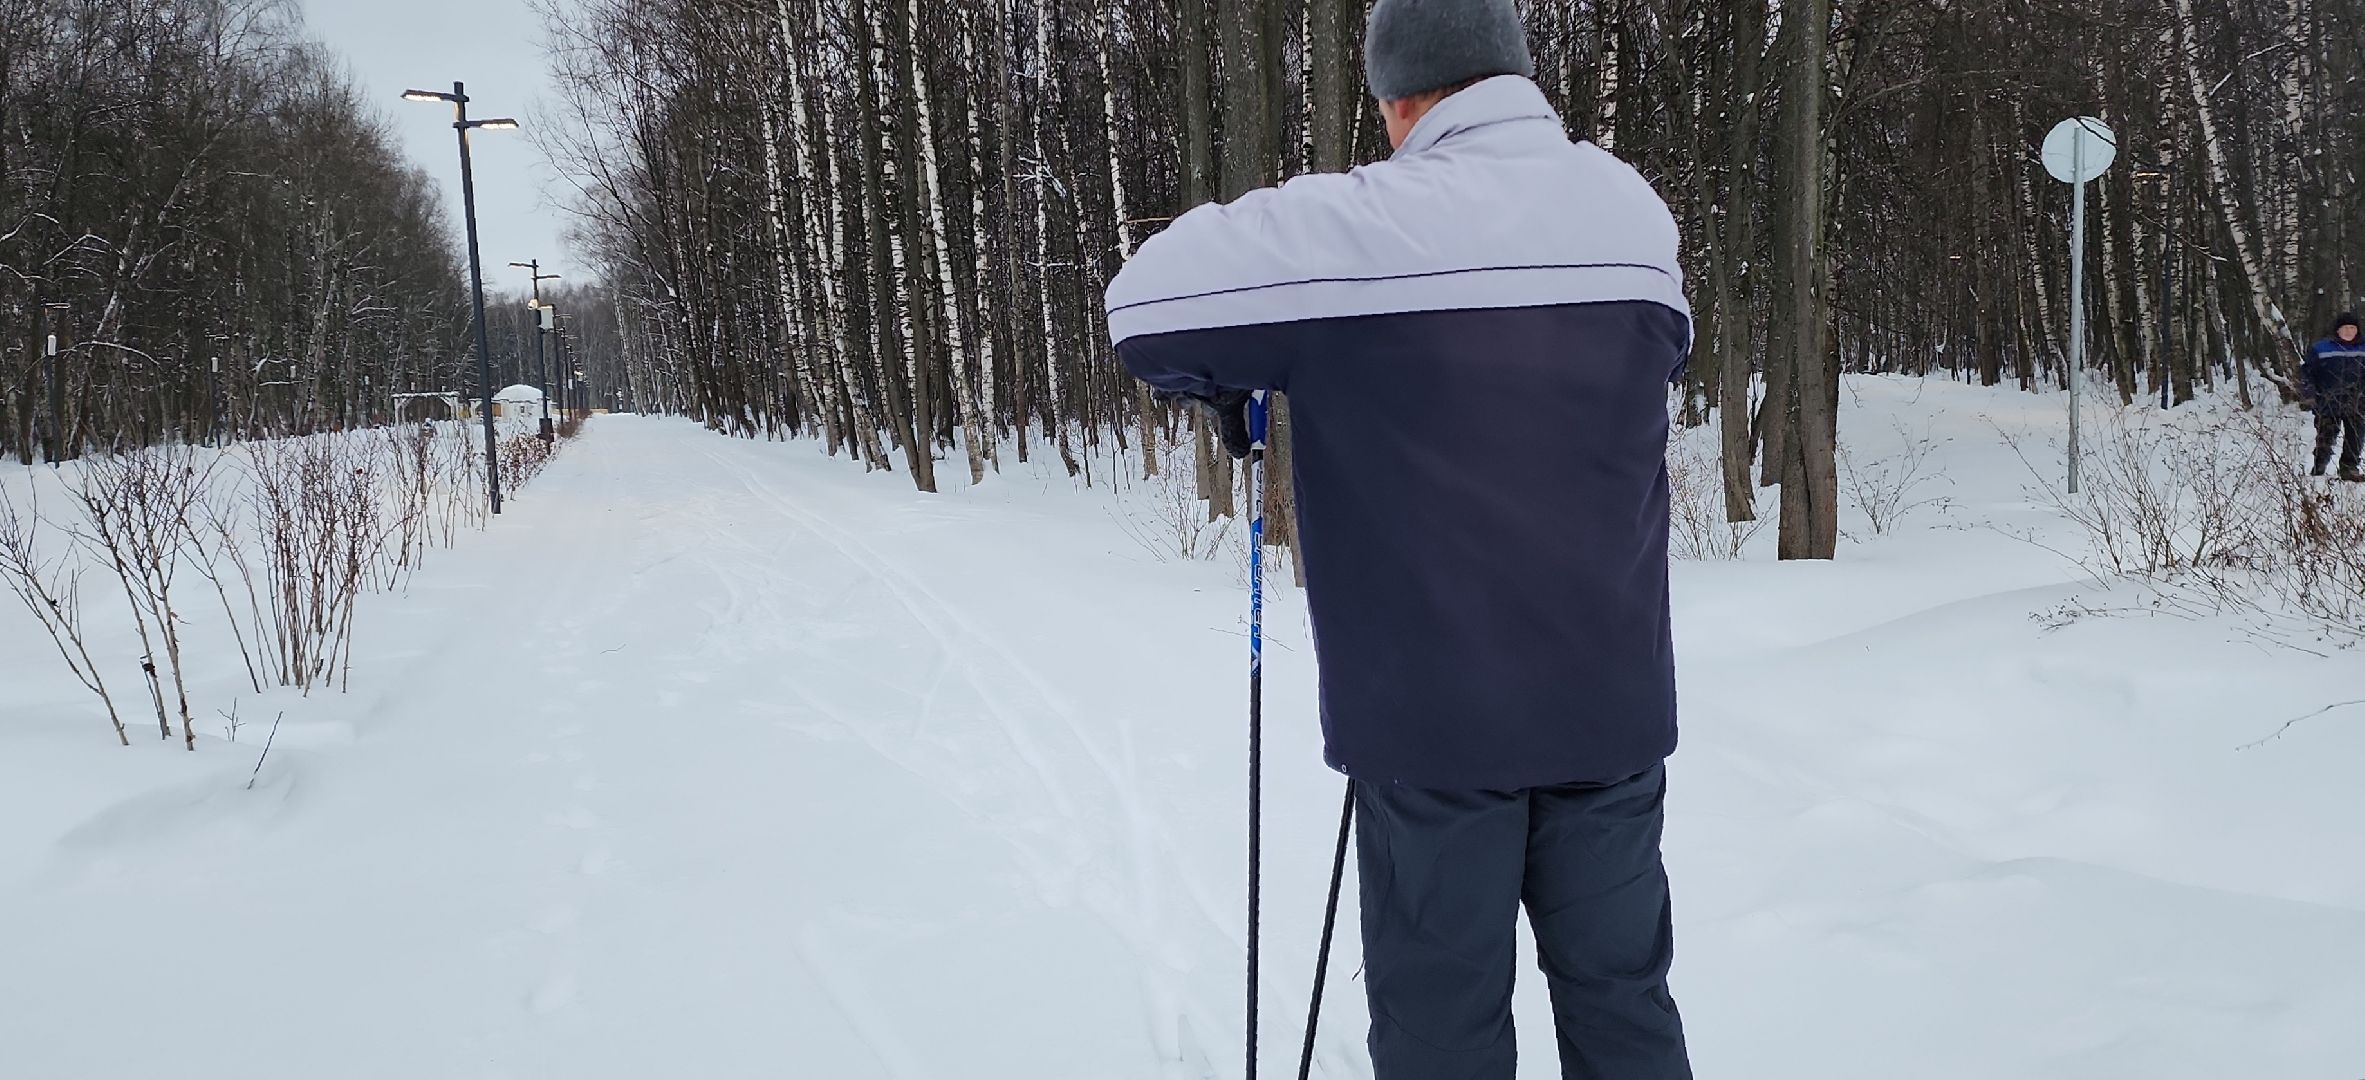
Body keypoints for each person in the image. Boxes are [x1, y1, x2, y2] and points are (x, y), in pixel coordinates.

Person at [1104, 0, 1693, 1075]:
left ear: (1402, 97)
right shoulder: (1634, 215)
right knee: (1623, 1007)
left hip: (1435, 730)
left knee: (1440, 1029)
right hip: (1610, 708)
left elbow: (1141, 310)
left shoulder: (1363, 225)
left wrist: (1247, 367)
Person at [2303, 313, 2365, 481]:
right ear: (2337, 330)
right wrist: (2309, 393)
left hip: (2357, 402)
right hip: (2328, 401)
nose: (2349, 331)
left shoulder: (2363, 348)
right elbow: (2307, 373)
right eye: (2345, 328)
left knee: (2356, 438)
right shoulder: (2321, 348)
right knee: (2325, 437)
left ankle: (2349, 468)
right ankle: (2319, 467)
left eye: (2352, 328)